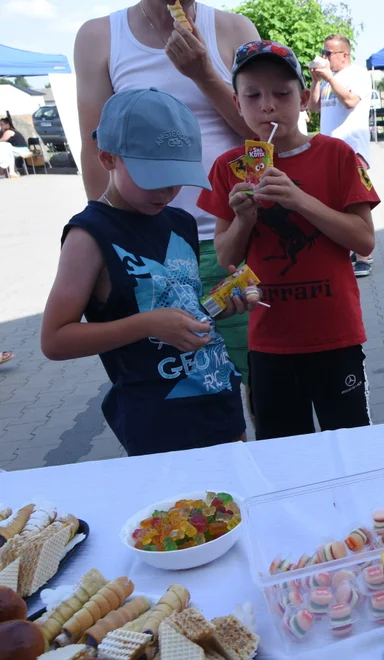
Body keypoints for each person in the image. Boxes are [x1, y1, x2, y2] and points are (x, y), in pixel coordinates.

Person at [40, 88, 255, 456]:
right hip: (158, 422)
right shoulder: (89, 236)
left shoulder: (180, 222)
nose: (168, 191)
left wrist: (221, 302)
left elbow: (178, 305)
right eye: (153, 177)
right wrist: (148, 325)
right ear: (108, 157)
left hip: (218, 397)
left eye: (176, 178)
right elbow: (55, 340)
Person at [74, 0, 259, 398]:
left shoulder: (232, 28)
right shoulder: (99, 36)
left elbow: (264, 138)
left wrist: (203, 72)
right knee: (180, 383)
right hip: (151, 249)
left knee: (259, 380)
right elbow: (96, 147)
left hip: (232, 236)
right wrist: (109, 236)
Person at [198, 41, 380, 440]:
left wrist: (300, 200)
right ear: (237, 102)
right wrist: (244, 219)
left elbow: (364, 242)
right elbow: (226, 256)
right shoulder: (229, 167)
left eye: (282, 93)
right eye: (253, 95)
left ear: (302, 98)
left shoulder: (337, 155)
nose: (268, 106)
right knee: (281, 454)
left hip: (336, 336)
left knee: (353, 445)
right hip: (269, 343)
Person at [308, 34, 375, 278]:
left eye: (328, 53)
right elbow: (313, 107)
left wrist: (328, 78)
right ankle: (345, 250)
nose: (324, 57)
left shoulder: (357, 74)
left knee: (357, 202)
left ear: (343, 54)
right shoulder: (328, 78)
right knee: (332, 201)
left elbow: (349, 101)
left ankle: (364, 255)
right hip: (328, 148)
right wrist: (317, 80)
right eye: (323, 52)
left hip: (351, 149)